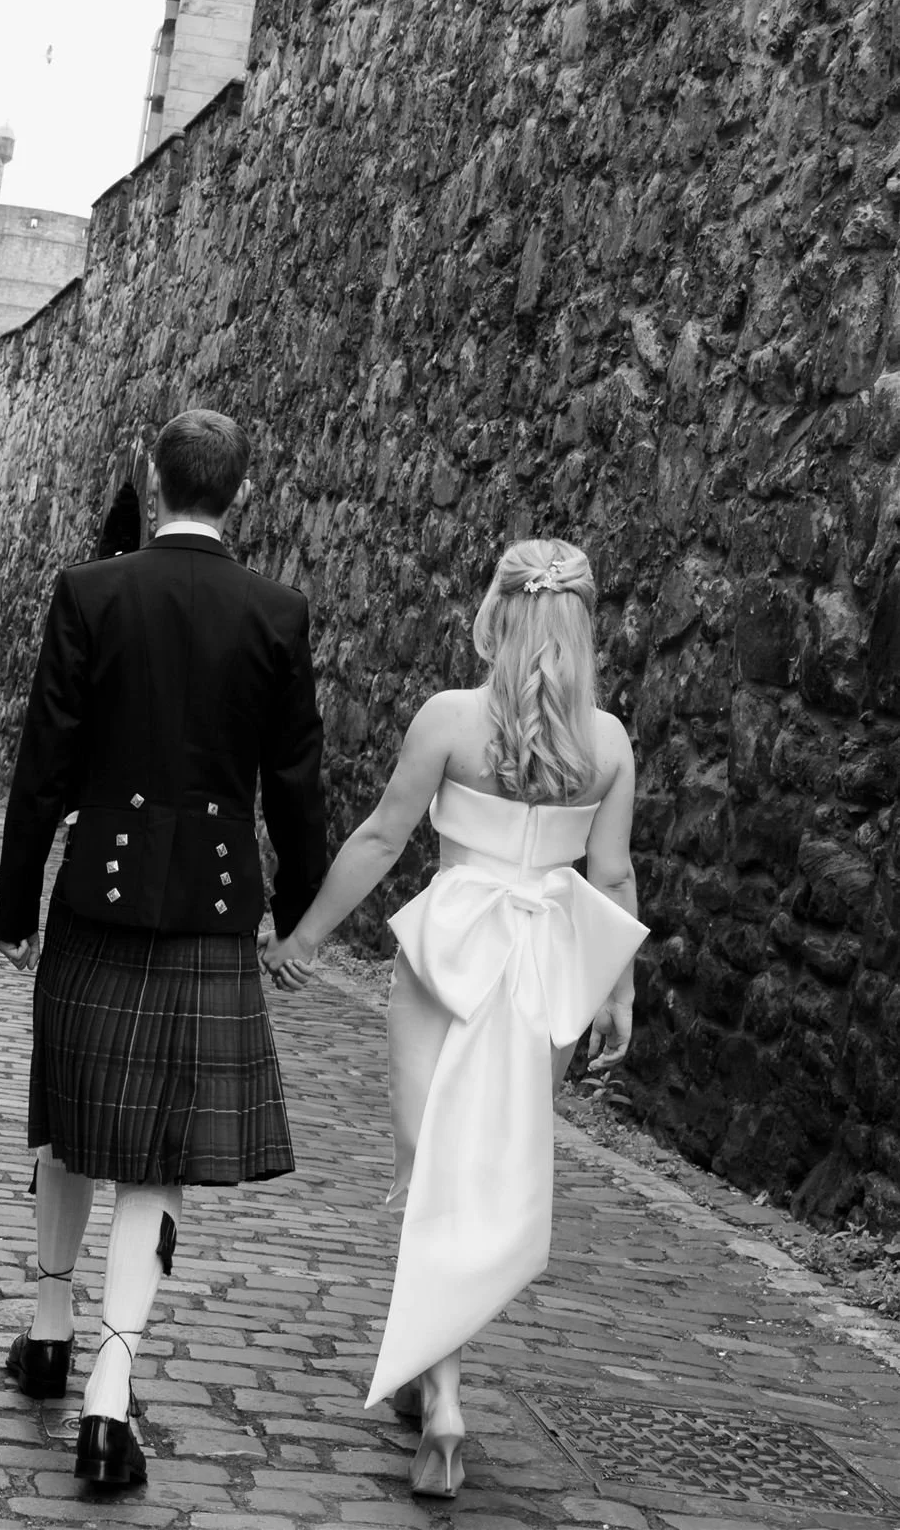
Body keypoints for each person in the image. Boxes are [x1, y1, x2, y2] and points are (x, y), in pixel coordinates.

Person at [263, 537, 647, 1500]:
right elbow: (611, 875)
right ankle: (436, 1377)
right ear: (580, 625)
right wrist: (618, 991)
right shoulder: (607, 743)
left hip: (449, 959)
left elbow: (382, 835)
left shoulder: (450, 719)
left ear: (499, 613)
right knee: (488, 1174)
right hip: (545, 972)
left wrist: (305, 938)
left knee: (425, 1165)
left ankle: (442, 1398)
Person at [0, 410, 328, 1491]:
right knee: (155, 1154)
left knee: (74, 1114)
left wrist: (15, 902)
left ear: (153, 477)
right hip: (211, 913)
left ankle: (49, 1329)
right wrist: (297, 909)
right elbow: (297, 785)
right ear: (242, 494)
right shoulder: (277, 612)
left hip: (98, 901)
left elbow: (44, 761)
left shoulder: (91, 591)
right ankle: (106, 1392)